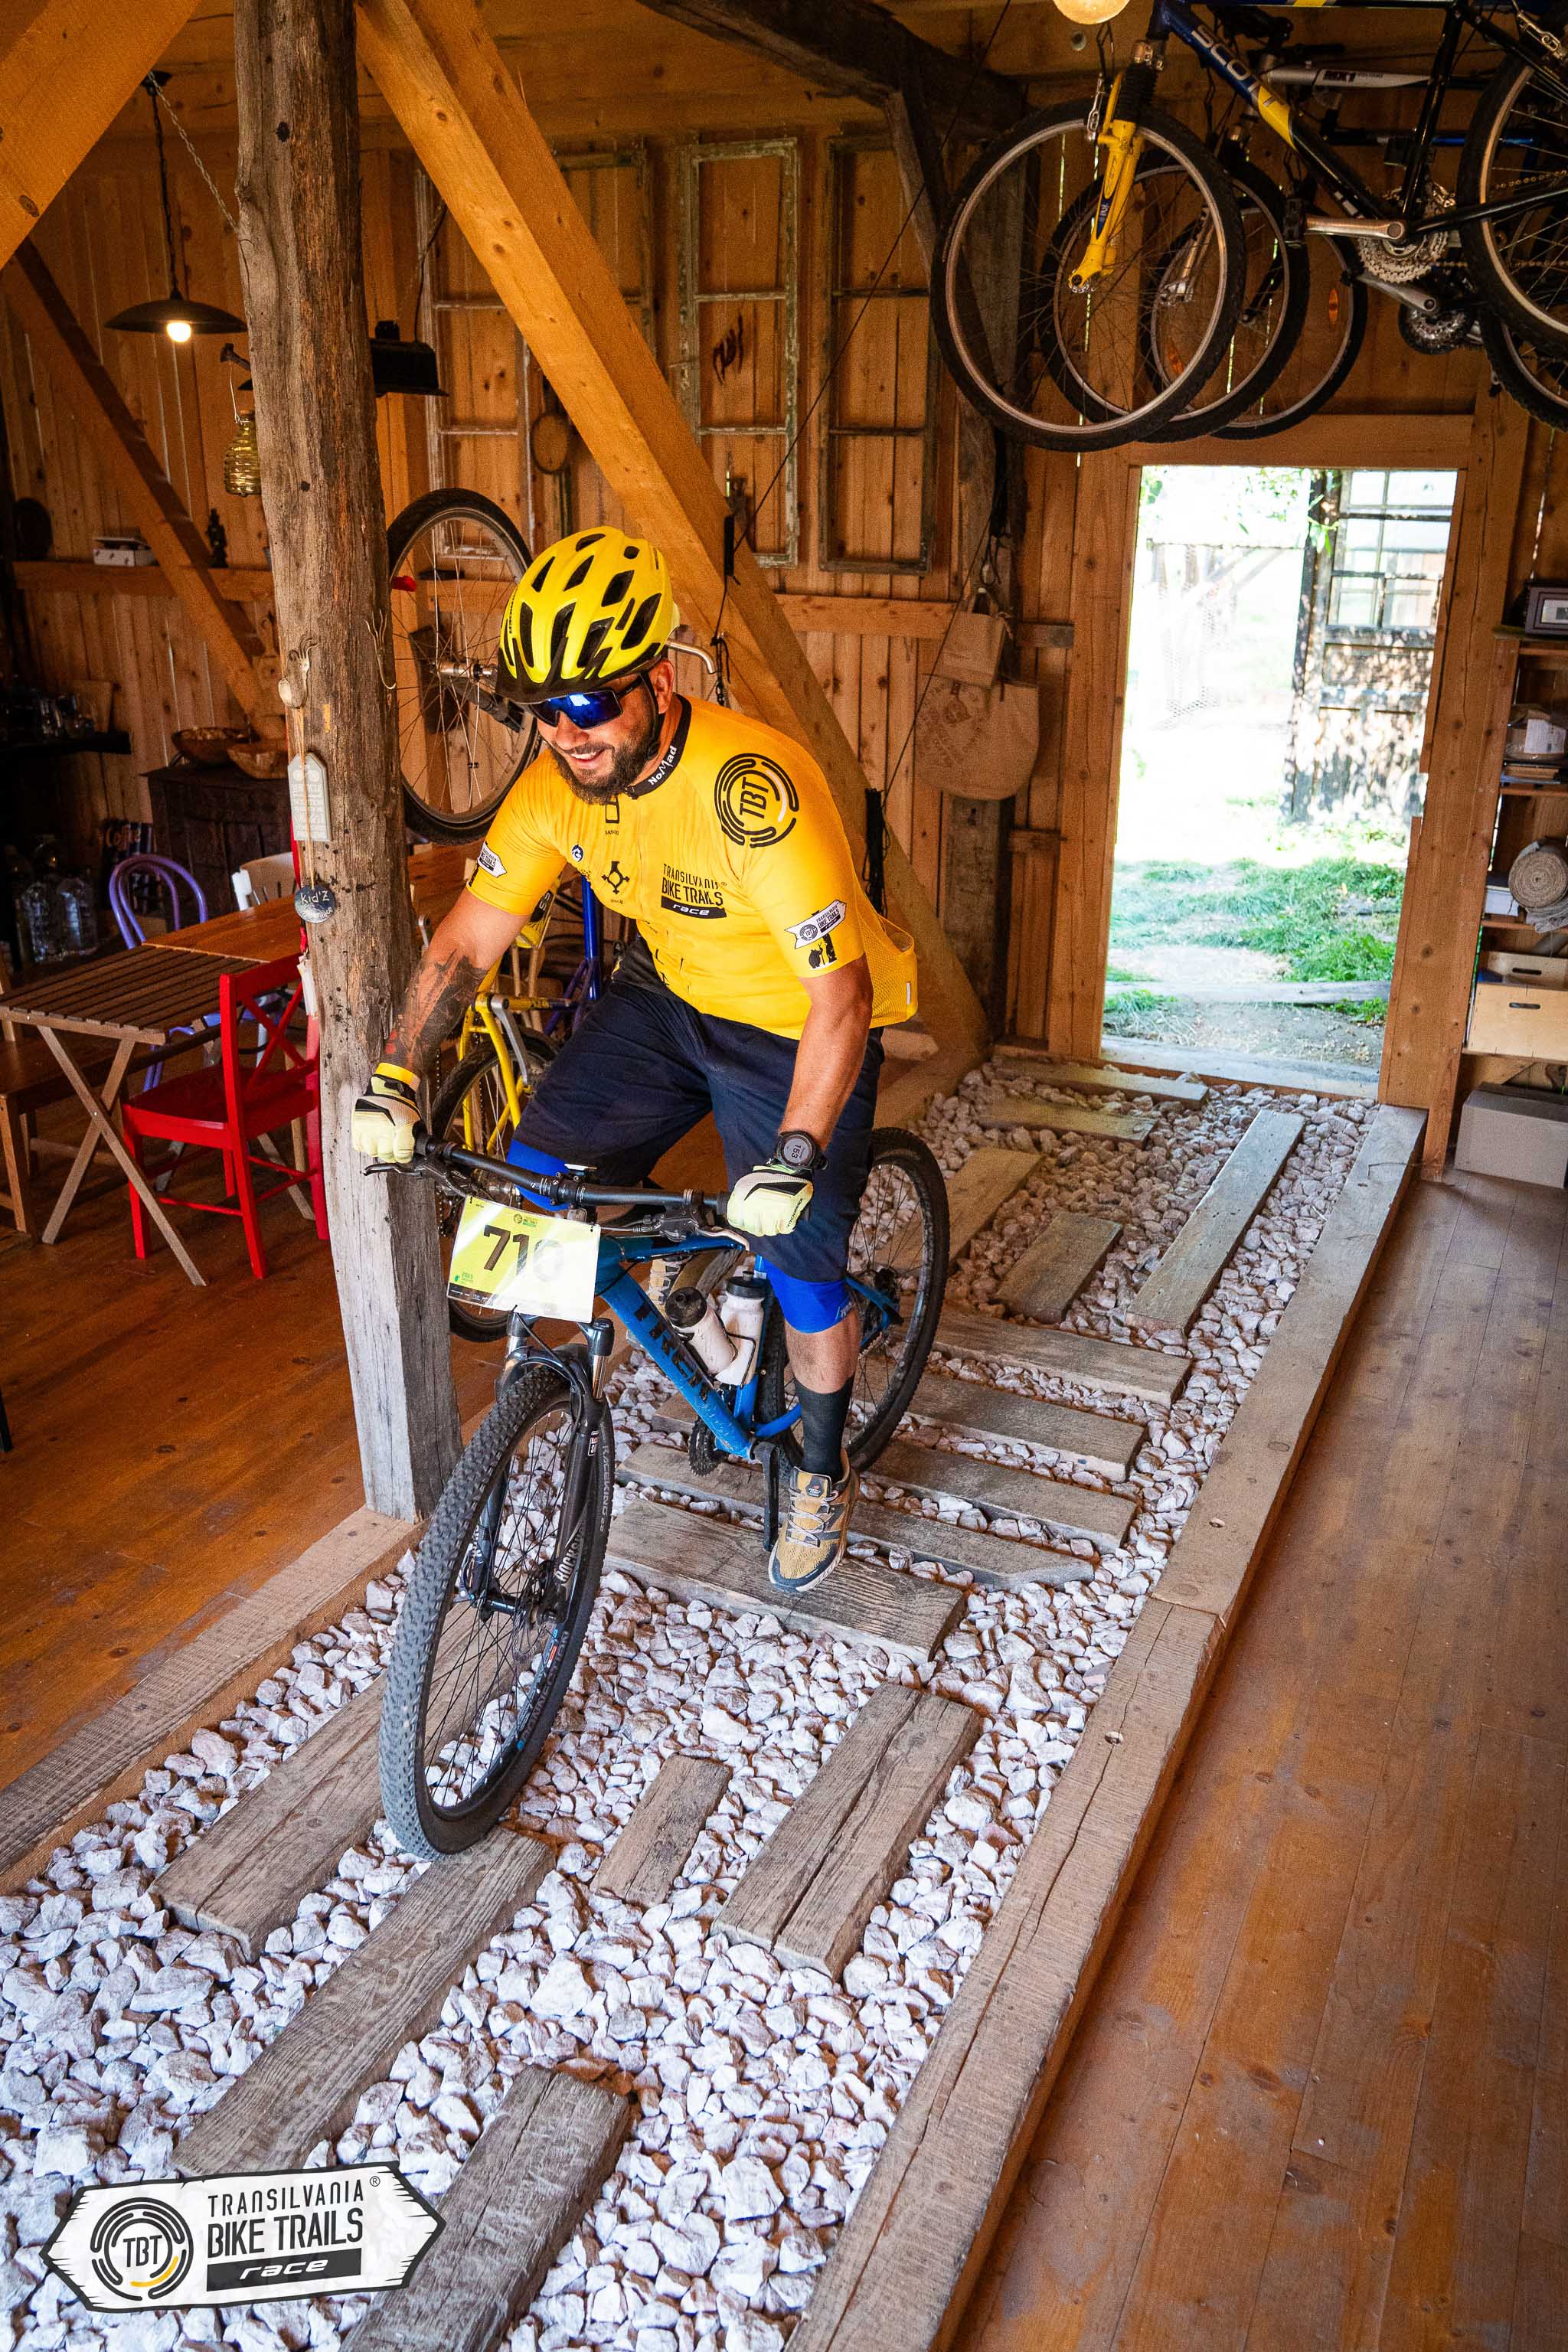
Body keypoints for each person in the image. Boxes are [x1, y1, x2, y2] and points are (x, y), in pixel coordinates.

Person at [352, 529, 917, 1592]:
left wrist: (794, 1154)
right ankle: (574, 1350)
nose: (568, 733)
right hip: (670, 996)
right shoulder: (553, 789)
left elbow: (839, 1000)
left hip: (794, 1020)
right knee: (532, 1178)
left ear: (658, 682)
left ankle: (819, 1464)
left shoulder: (751, 792)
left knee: (801, 1269)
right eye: (543, 708)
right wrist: (396, 1072)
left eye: (591, 702)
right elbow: (469, 942)